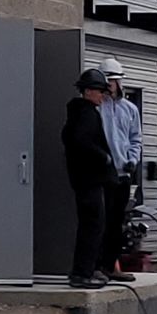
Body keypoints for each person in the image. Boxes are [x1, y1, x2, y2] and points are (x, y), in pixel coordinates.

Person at [61, 68, 116, 288]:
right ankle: (83, 273)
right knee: (93, 225)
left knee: (91, 224)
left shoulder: (77, 114)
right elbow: (81, 142)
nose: (103, 96)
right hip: (89, 179)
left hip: (83, 179)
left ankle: (86, 270)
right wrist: (103, 157)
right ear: (89, 91)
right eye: (100, 91)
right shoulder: (86, 114)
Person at [99, 58, 143, 278]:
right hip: (103, 174)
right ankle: (99, 267)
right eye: (106, 80)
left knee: (116, 224)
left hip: (123, 174)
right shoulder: (97, 108)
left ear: (119, 83)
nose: (110, 85)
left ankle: (111, 266)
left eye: (113, 81)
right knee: (101, 221)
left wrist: (132, 160)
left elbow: (136, 139)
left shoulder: (130, 110)